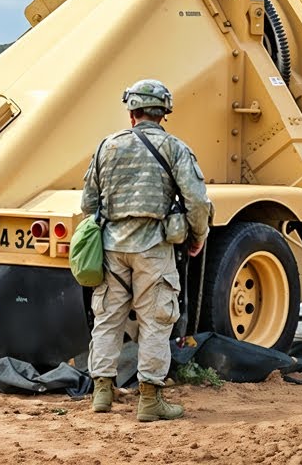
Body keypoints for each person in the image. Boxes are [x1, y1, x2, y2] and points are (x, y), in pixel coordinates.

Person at [83, 79, 211, 420]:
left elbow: (88, 202)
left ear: (132, 112)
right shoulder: (174, 148)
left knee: (108, 318)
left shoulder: (106, 147)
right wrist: (198, 235)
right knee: (156, 320)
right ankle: (150, 401)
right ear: (163, 113)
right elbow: (197, 201)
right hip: (154, 248)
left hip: (110, 249)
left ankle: (102, 395)